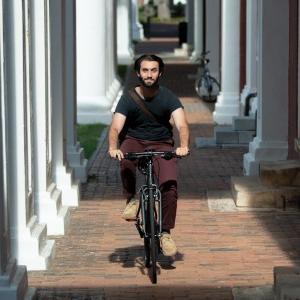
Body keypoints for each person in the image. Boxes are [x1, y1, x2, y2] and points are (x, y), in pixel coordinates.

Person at [108, 54, 189, 256]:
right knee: (125, 159)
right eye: (145, 70)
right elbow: (116, 127)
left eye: (153, 70)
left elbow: (181, 124)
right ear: (138, 73)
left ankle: (165, 232)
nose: (149, 74)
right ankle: (131, 201)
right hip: (134, 140)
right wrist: (112, 147)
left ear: (160, 73)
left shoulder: (168, 97)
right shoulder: (128, 98)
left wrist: (183, 145)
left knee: (169, 186)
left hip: (161, 143)